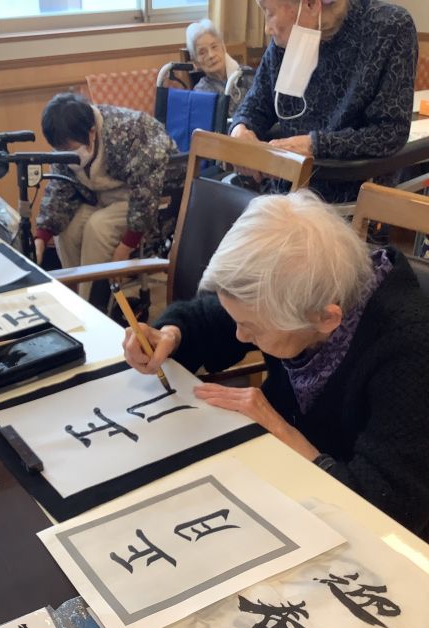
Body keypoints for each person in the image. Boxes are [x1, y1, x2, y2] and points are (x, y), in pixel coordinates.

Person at [122, 190, 429, 539]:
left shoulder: (409, 349)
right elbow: (210, 321)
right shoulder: (296, 292)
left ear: (326, 319)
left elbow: (391, 509)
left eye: (252, 329)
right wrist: (171, 336)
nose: (239, 335)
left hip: (352, 526)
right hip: (281, 479)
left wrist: (282, 431)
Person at [230, 0, 418, 202]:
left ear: (310, 5)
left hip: (352, 200)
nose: (267, 29)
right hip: (284, 194)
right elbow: (255, 106)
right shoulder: (286, 42)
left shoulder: (390, 26)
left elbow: (390, 132)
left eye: (269, 13)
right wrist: (240, 130)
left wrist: (314, 145)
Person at [34, 92, 183, 310]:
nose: (65, 154)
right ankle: (73, 297)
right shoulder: (68, 139)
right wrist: (41, 236)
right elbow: (59, 188)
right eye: (60, 149)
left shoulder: (133, 130)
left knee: (99, 227)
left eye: (70, 149)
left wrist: (126, 247)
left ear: (92, 132)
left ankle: (92, 307)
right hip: (104, 198)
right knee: (69, 229)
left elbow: (146, 192)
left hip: (151, 200)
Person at [185, 18, 240, 95]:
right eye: (202, 52)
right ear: (196, 62)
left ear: (223, 47)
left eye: (214, 47)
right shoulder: (201, 92)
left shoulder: (247, 75)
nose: (211, 55)